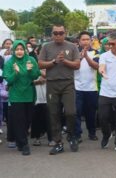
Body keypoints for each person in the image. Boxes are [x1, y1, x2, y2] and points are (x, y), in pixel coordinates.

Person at [38, 24, 81, 155]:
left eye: (60, 33)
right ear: (52, 34)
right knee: (53, 113)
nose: (58, 35)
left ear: (65, 33)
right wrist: (55, 62)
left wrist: (65, 61)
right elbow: (40, 63)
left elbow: (77, 65)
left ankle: (72, 136)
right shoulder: (46, 47)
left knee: (71, 112)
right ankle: (58, 143)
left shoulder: (72, 46)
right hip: (52, 83)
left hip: (68, 83)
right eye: (55, 33)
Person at [3, 40, 41, 155]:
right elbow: (8, 80)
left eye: (21, 49)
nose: (19, 52)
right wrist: (16, 73)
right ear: (13, 50)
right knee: (19, 121)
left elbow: (36, 75)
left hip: (29, 94)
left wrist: (30, 70)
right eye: (17, 49)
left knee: (27, 120)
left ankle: (21, 141)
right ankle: (24, 144)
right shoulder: (10, 63)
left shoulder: (31, 60)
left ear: (25, 50)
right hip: (16, 96)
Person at [74, 31, 99, 142]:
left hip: (91, 88)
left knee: (91, 112)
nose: (85, 42)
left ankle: (92, 132)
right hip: (77, 87)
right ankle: (78, 134)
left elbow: (96, 66)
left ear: (91, 41)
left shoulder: (96, 52)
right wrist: (79, 57)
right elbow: (73, 67)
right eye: (83, 40)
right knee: (77, 111)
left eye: (87, 39)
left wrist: (86, 57)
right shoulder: (74, 53)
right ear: (79, 41)